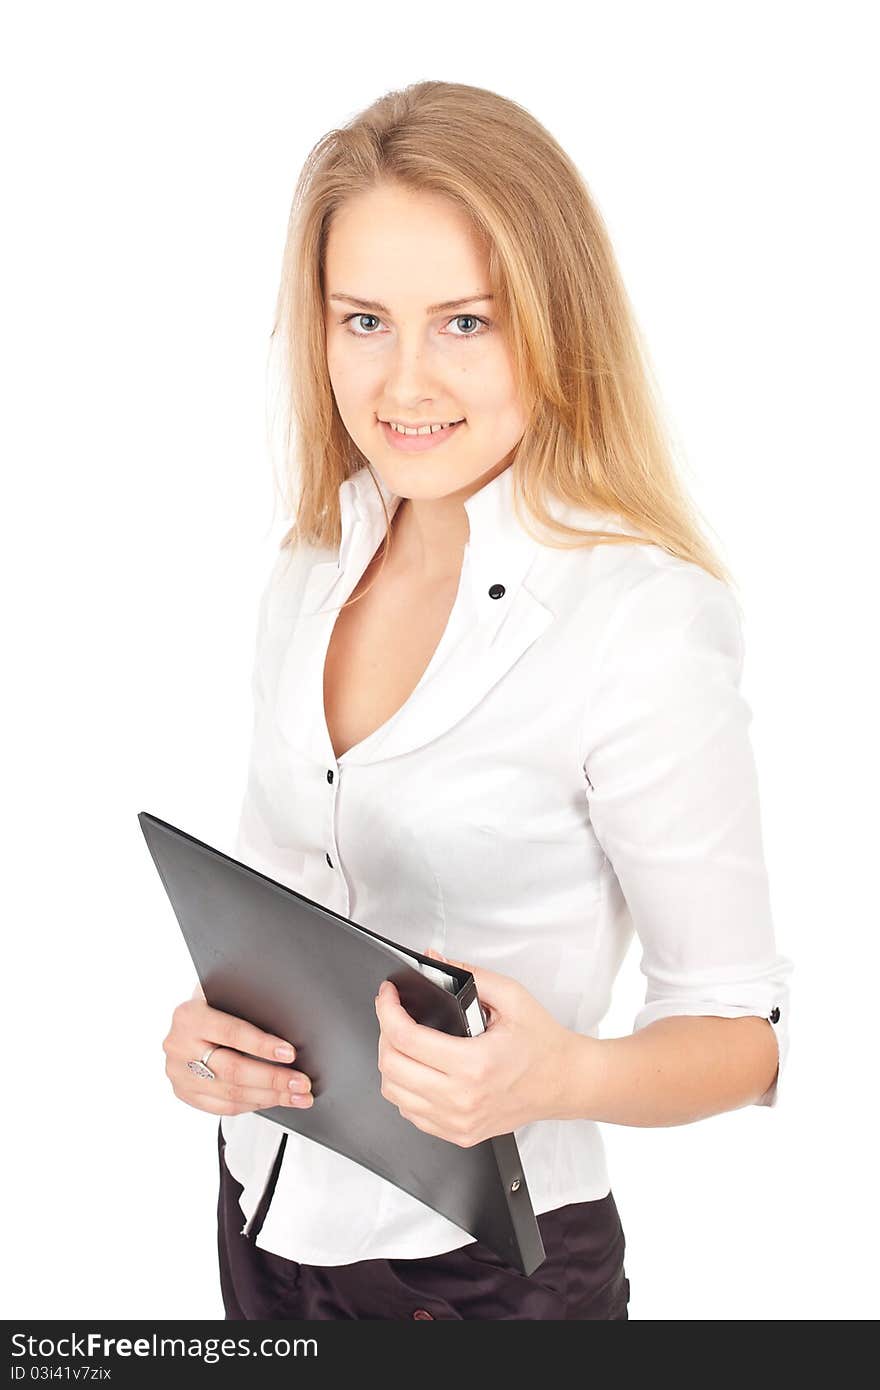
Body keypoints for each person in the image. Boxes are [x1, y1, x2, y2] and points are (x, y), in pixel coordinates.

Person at [161, 81, 794, 1321]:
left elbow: (743, 1029)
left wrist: (558, 1072)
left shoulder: (639, 619)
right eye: (362, 320)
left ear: (552, 324)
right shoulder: (310, 563)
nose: (402, 381)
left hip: (487, 1277)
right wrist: (207, 1038)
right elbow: (274, 911)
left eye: (463, 322)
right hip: (260, 1218)